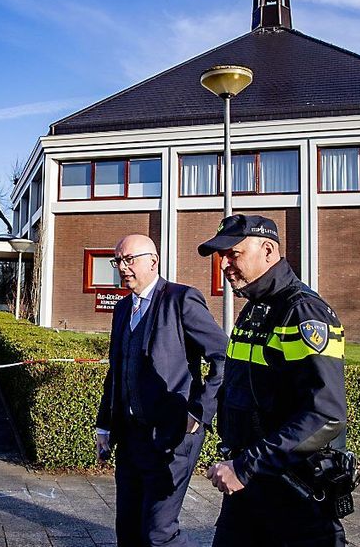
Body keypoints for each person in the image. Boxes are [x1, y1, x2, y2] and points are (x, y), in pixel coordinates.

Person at [199, 214, 348, 547]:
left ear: (268, 250)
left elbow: (326, 413)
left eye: (232, 254)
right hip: (251, 488)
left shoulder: (303, 312)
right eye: (221, 256)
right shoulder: (253, 309)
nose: (224, 264)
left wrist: (246, 466)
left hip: (296, 495)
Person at [95, 234, 227, 547]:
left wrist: (198, 411)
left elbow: (224, 356)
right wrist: (104, 425)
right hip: (130, 438)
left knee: (159, 533)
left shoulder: (181, 299)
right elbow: (117, 370)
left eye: (129, 259)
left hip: (172, 436)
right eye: (118, 261)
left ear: (153, 261)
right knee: (128, 530)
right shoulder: (123, 308)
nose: (123, 267)